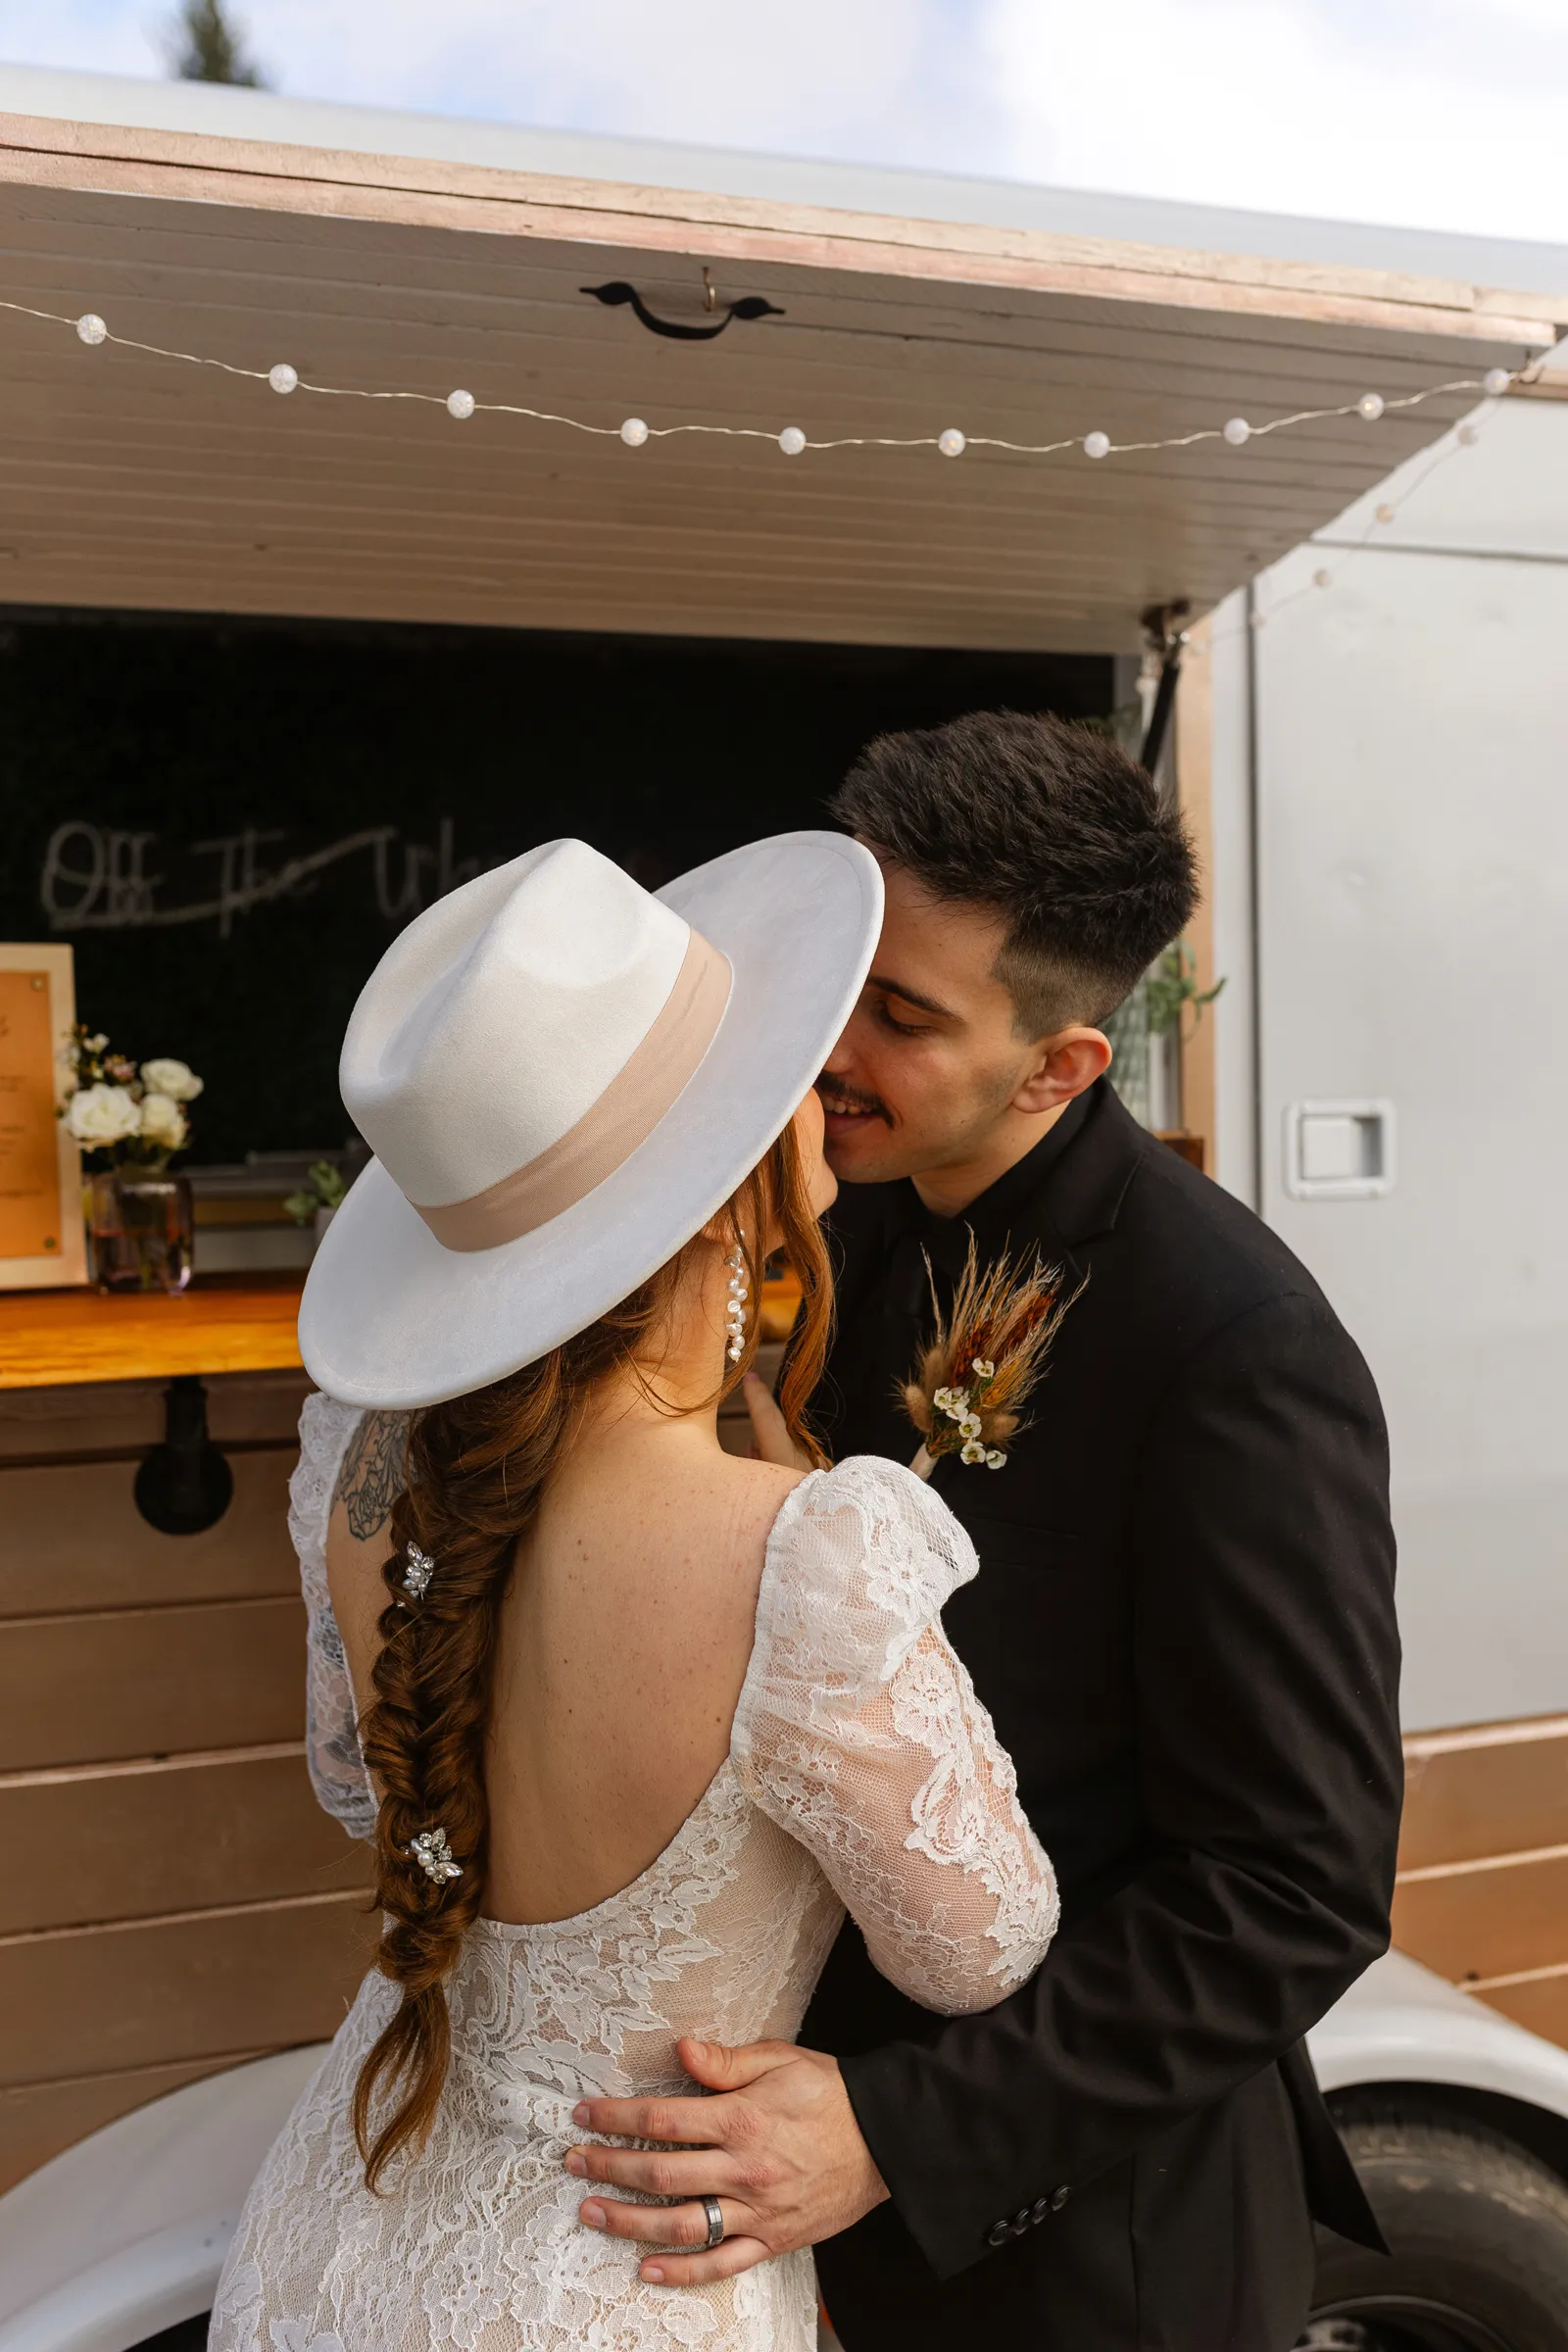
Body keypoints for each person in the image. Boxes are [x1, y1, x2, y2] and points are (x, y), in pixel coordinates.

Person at [570, 712, 1402, 2352]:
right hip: (826, 2177)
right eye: (842, 979)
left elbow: (1295, 1886)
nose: (832, 1045)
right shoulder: (855, 1213)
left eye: (901, 1016)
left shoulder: (1233, 1347)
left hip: (1093, 2242)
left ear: (1059, 1067)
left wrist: (898, 2130)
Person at [208, 830, 1061, 2352]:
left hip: (335, 2241)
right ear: (724, 1194)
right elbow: (975, 1949)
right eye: (778, 1067)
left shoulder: (354, 1456)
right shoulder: (811, 1554)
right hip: (613, 2279)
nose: (821, 1080)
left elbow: (362, 1788)